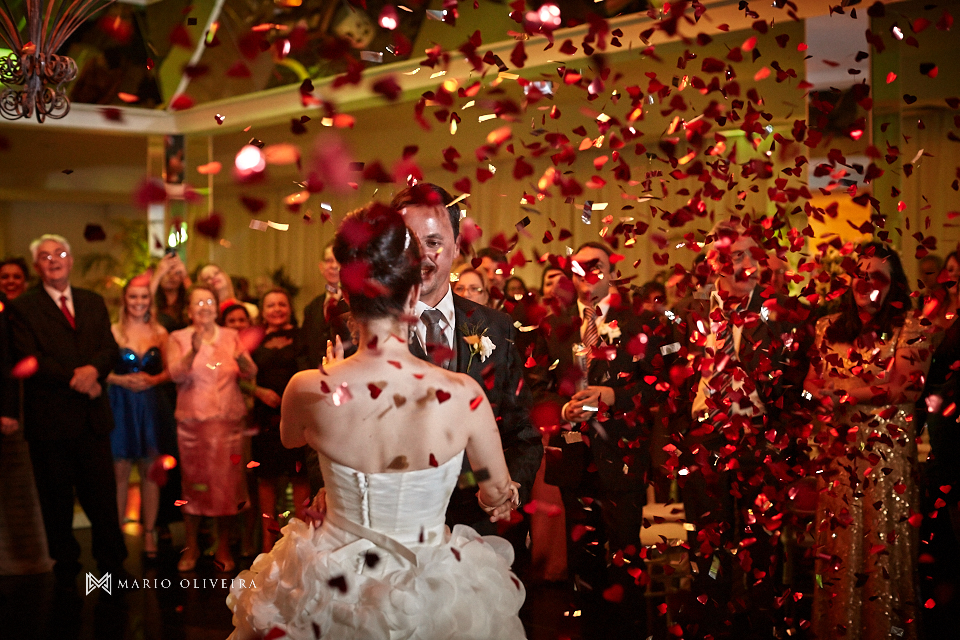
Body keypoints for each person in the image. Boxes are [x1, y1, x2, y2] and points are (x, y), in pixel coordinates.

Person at [228, 203, 525, 640]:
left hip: (328, 579)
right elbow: (496, 491)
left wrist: (330, 380)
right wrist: (504, 495)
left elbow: (292, 438)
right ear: (411, 297)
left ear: (346, 297)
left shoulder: (307, 388)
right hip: (430, 580)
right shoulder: (464, 394)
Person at [670, 218, 811, 637]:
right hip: (702, 437)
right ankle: (711, 622)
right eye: (727, 256)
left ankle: (760, 621)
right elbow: (668, 378)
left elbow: (797, 382)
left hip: (757, 437)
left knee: (762, 544)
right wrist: (682, 431)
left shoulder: (781, 314)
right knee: (706, 542)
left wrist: (778, 436)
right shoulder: (688, 313)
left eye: (746, 255)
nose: (738, 265)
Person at [528, 241, 675, 636]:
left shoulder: (638, 323)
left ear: (612, 273)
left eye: (597, 266)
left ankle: (626, 631)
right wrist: (561, 410)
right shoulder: (553, 325)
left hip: (622, 456)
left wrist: (616, 396)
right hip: (573, 457)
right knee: (584, 563)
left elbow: (661, 386)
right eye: (580, 267)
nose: (588, 273)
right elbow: (535, 387)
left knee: (626, 556)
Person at [391, 183, 542, 536]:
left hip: (479, 526)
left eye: (433, 242)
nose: (421, 256)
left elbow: (524, 432)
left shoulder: (496, 325)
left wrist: (511, 490)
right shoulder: (364, 327)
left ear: (457, 247)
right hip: (395, 529)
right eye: (408, 244)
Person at [806, 242, 930, 640]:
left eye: (876, 275)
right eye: (859, 274)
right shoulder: (827, 326)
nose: (865, 282)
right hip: (837, 453)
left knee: (882, 545)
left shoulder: (913, 327)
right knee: (838, 546)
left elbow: (900, 389)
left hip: (884, 456)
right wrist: (818, 395)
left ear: (894, 286)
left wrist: (842, 391)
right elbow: (810, 382)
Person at [7, 234, 127, 586]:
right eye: (45, 256)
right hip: (50, 422)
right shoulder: (23, 307)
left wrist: (94, 371)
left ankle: (113, 566)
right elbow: (28, 358)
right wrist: (78, 377)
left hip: (92, 418)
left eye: (60, 253)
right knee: (56, 501)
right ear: (36, 266)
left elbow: (109, 347)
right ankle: (66, 567)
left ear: (71, 260)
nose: (53, 260)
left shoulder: (92, 301)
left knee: (102, 498)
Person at [168, 285, 257, 573]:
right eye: (198, 302)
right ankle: (192, 545)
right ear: (189, 310)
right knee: (194, 485)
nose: (204, 307)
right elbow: (175, 375)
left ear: (216, 306)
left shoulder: (231, 336)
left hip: (228, 422)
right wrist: (191, 352)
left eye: (209, 301)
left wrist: (244, 361)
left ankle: (223, 545)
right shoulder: (178, 337)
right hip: (193, 424)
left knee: (227, 486)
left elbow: (250, 372)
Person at [106, 274, 171, 559]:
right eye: (133, 297)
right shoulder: (113, 331)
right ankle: (116, 535)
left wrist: (153, 380)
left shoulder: (160, 332)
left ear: (150, 300)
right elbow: (100, 371)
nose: (139, 302)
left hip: (151, 404)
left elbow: (171, 371)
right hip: (120, 403)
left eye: (144, 297)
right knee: (119, 471)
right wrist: (121, 381)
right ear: (124, 299)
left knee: (150, 471)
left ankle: (149, 534)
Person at [249, 288, 308, 552]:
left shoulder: (301, 336)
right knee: (266, 478)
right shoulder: (253, 340)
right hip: (264, 417)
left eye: (281, 304)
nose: (276, 309)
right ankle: (266, 540)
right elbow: (239, 375)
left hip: (296, 415)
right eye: (270, 305)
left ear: (289, 308)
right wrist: (257, 391)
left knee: (299, 476)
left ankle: (303, 538)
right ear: (262, 311)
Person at [297, 240, 351, 372]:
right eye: (328, 261)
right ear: (321, 267)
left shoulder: (354, 304)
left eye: (337, 260)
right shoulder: (312, 307)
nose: (333, 266)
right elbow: (302, 349)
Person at [152, 252, 190, 332]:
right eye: (167, 272)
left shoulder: (187, 297)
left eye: (176, 273)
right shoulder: (153, 298)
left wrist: (185, 276)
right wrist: (158, 274)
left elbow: (197, 299)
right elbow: (143, 303)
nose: (171, 277)